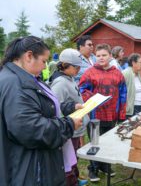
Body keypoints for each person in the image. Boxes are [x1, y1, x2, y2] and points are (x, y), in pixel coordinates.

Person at [0, 36, 82, 185]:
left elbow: (42, 107)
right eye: (44, 61)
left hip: (31, 164)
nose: (45, 67)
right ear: (29, 56)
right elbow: (29, 129)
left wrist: (69, 108)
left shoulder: (23, 78)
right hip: (29, 168)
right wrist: (68, 125)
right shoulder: (15, 83)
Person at [79, 43, 127, 182]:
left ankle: (105, 166)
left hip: (112, 114)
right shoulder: (90, 72)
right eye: (98, 55)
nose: (101, 58)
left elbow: (123, 93)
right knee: (95, 142)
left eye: (104, 55)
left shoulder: (117, 73)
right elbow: (82, 89)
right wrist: (93, 98)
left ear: (110, 56)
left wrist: (121, 113)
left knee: (108, 142)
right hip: (95, 115)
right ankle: (93, 168)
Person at [50, 48, 90, 186]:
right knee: (68, 160)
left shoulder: (70, 78)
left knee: (74, 158)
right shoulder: (60, 82)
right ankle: (70, 182)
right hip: (69, 129)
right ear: (65, 65)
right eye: (76, 67)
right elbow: (56, 107)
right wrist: (73, 107)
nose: (79, 69)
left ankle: (75, 179)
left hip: (75, 127)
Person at [122, 53, 141, 118]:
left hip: (140, 106)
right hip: (131, 109)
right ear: (133, 63)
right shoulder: (125, 73)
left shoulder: (138, 74)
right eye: (140, 62)